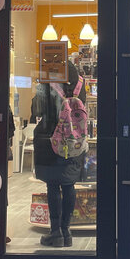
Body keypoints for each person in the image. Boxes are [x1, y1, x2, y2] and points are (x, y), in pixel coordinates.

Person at [30, 59, 87, 247]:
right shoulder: (80, 82)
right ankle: (66, 231)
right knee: (69, 184)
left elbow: (37, 110)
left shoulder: (48, 83)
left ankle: (56, 232)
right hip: (73, 142)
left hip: (50, 139)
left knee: (53, 185)